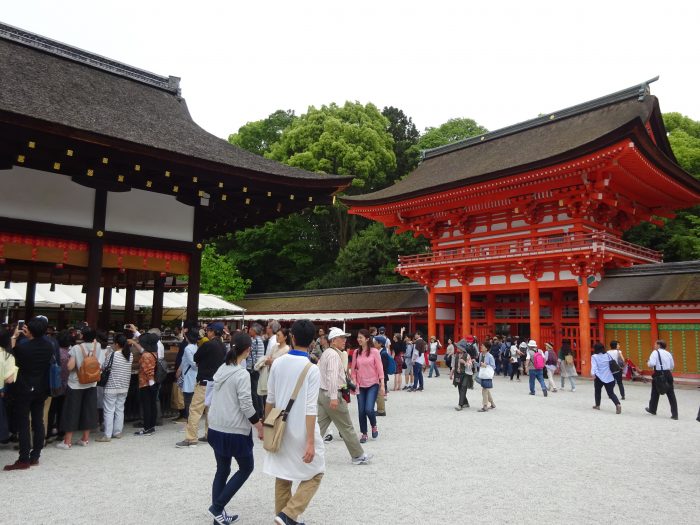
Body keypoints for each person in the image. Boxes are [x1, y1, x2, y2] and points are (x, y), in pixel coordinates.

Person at [263, 319, 325, 525]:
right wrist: (310, 441)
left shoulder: (278, 362)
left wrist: (266, 425)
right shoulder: (311, 369)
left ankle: (283, 516)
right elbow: (310, 408)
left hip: (279, 425)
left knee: (283, 474)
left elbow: (269, 399)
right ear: (311, 340)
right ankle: (288, 514)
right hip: (301, 427)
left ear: (292, 337)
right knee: (316, 471)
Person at [207, 332, 263, 525]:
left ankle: (218, 517)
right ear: (248, 350)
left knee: (222, 469)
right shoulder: (241, 374)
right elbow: (246, 405)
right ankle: (217, 507)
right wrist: (259, 426)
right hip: (234, 430)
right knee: (247, 467)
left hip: (215, 426)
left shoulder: (222, 369)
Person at [3, 317, 53, 470]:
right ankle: (35, 455)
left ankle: (23, 458)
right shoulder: (49, 345)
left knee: (24, 423)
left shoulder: (24, 348)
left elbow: (9, 357)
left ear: (30, 331)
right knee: (38, 421)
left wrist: (14, 337)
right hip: (42, 387)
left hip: (25, 388)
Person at [317, 327, 371, 465]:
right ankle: (358, 455)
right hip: (333, 394)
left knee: (318, 427)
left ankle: (303, 451)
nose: (345, 340)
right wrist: (334, 397)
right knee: (346, 426)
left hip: (322, 393)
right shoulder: (335, 355)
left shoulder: (326, 353)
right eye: (342, 338)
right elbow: (332, 377)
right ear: (333, 341)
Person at [57, 326, 105, 449]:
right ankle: (85, 439)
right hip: (92, 382)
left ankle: (67, 441)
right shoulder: (98, 346)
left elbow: (70, 366)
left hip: (76, 384)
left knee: (72, 411)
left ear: (82, 336)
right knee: (88, 410)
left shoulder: (76, 348)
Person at [96, 334, 133, 442]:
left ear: (116, 344)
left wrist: (107, 355)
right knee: (120, 409)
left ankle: (107, 435)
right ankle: (117, 432)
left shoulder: (113, 355)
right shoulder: (130, 355)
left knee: (108, 410)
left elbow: (104, 367)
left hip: (111, 386)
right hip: (124, 386)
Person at [351, 329, 384, 443]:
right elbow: (354, 369)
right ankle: (364, 433)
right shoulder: (356, 352)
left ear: (367, 339)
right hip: (360, 384)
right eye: (358, 337)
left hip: (373, 383)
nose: (359, 339)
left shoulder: (374, 351)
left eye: (361, 337)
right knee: (361, 411)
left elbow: (380, 368)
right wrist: (354, 381)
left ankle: (373, 425)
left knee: (369, 409)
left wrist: (382, 384)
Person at [645, 339, 678, 420]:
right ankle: (675, 414)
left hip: (659, 373)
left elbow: (652, 364)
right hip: (668, 373)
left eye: (655, 344)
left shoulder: (655, 352)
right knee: (671, 394)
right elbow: (672, 366)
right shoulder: (668, 353)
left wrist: (648, 363)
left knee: (655, 392)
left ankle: (652, 409)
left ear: (659, 345)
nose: (654, 345)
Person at [134, 333, 159, 435]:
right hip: (153, 383)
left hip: (146, 383)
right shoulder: (154, 353)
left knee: (146, 405)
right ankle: (152, 426)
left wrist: (150, 381)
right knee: (152, 404)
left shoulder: (146, 355)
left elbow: (148, 370)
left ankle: (147, 427)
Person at [590, 342, 622, 414]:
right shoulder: (607, 355)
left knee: (597, 391)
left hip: (599, 377)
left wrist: (592, 374)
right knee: (611, 393)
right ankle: (617, 404)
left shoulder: (594, 356)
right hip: (609, 377)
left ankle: (597, 405)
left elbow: (594, 367)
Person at [176, 330, 199, 421]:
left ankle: (189, 419)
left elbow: (191, 363)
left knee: (188, 398)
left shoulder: (187, 348)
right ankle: (190, 419)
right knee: (192, 398)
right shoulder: (196, 347)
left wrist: (179, 370)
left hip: (189, 374)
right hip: (194, 375)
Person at [450, 340, 473, 410]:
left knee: (463, 387)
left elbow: (470, 365)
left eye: (458, 347)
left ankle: (460, 405)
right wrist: (451, 373)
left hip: (465, 374)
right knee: (460, 388)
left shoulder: (467, 355)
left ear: (462, 349)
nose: (457, 348)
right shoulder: (455, 355)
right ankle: (466, 403)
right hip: (457, 374)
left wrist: (464, 362)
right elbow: (453, 365)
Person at [477, 343, 496, 412]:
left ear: (486, 348)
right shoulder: (481, 354)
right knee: (486, 389)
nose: (481, 347)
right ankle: (492, 403)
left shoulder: (490, 356)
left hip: (487, 374)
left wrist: (486, 365)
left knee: (484, 389)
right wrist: (475, 363)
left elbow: (493, 366)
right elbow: (479, 364)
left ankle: (485, 406)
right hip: (482, 374)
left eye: (483, 346)